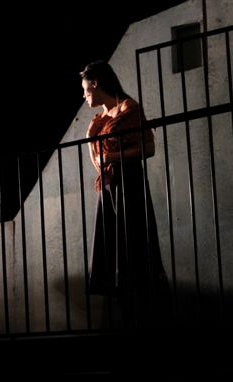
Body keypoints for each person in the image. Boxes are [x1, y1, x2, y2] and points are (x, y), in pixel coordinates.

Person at [81, 60, 168, 324]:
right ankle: (123, 307)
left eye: (85, 89)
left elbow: (149, 148)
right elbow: (99, 162)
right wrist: (91, 139)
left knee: (132, 240)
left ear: (95, 83)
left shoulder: (129, 108)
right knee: (112, 243)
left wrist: (113, 156)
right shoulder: (99, 120)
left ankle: (143, 309)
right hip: (109, 186)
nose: (84, 95)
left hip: (129, 182)